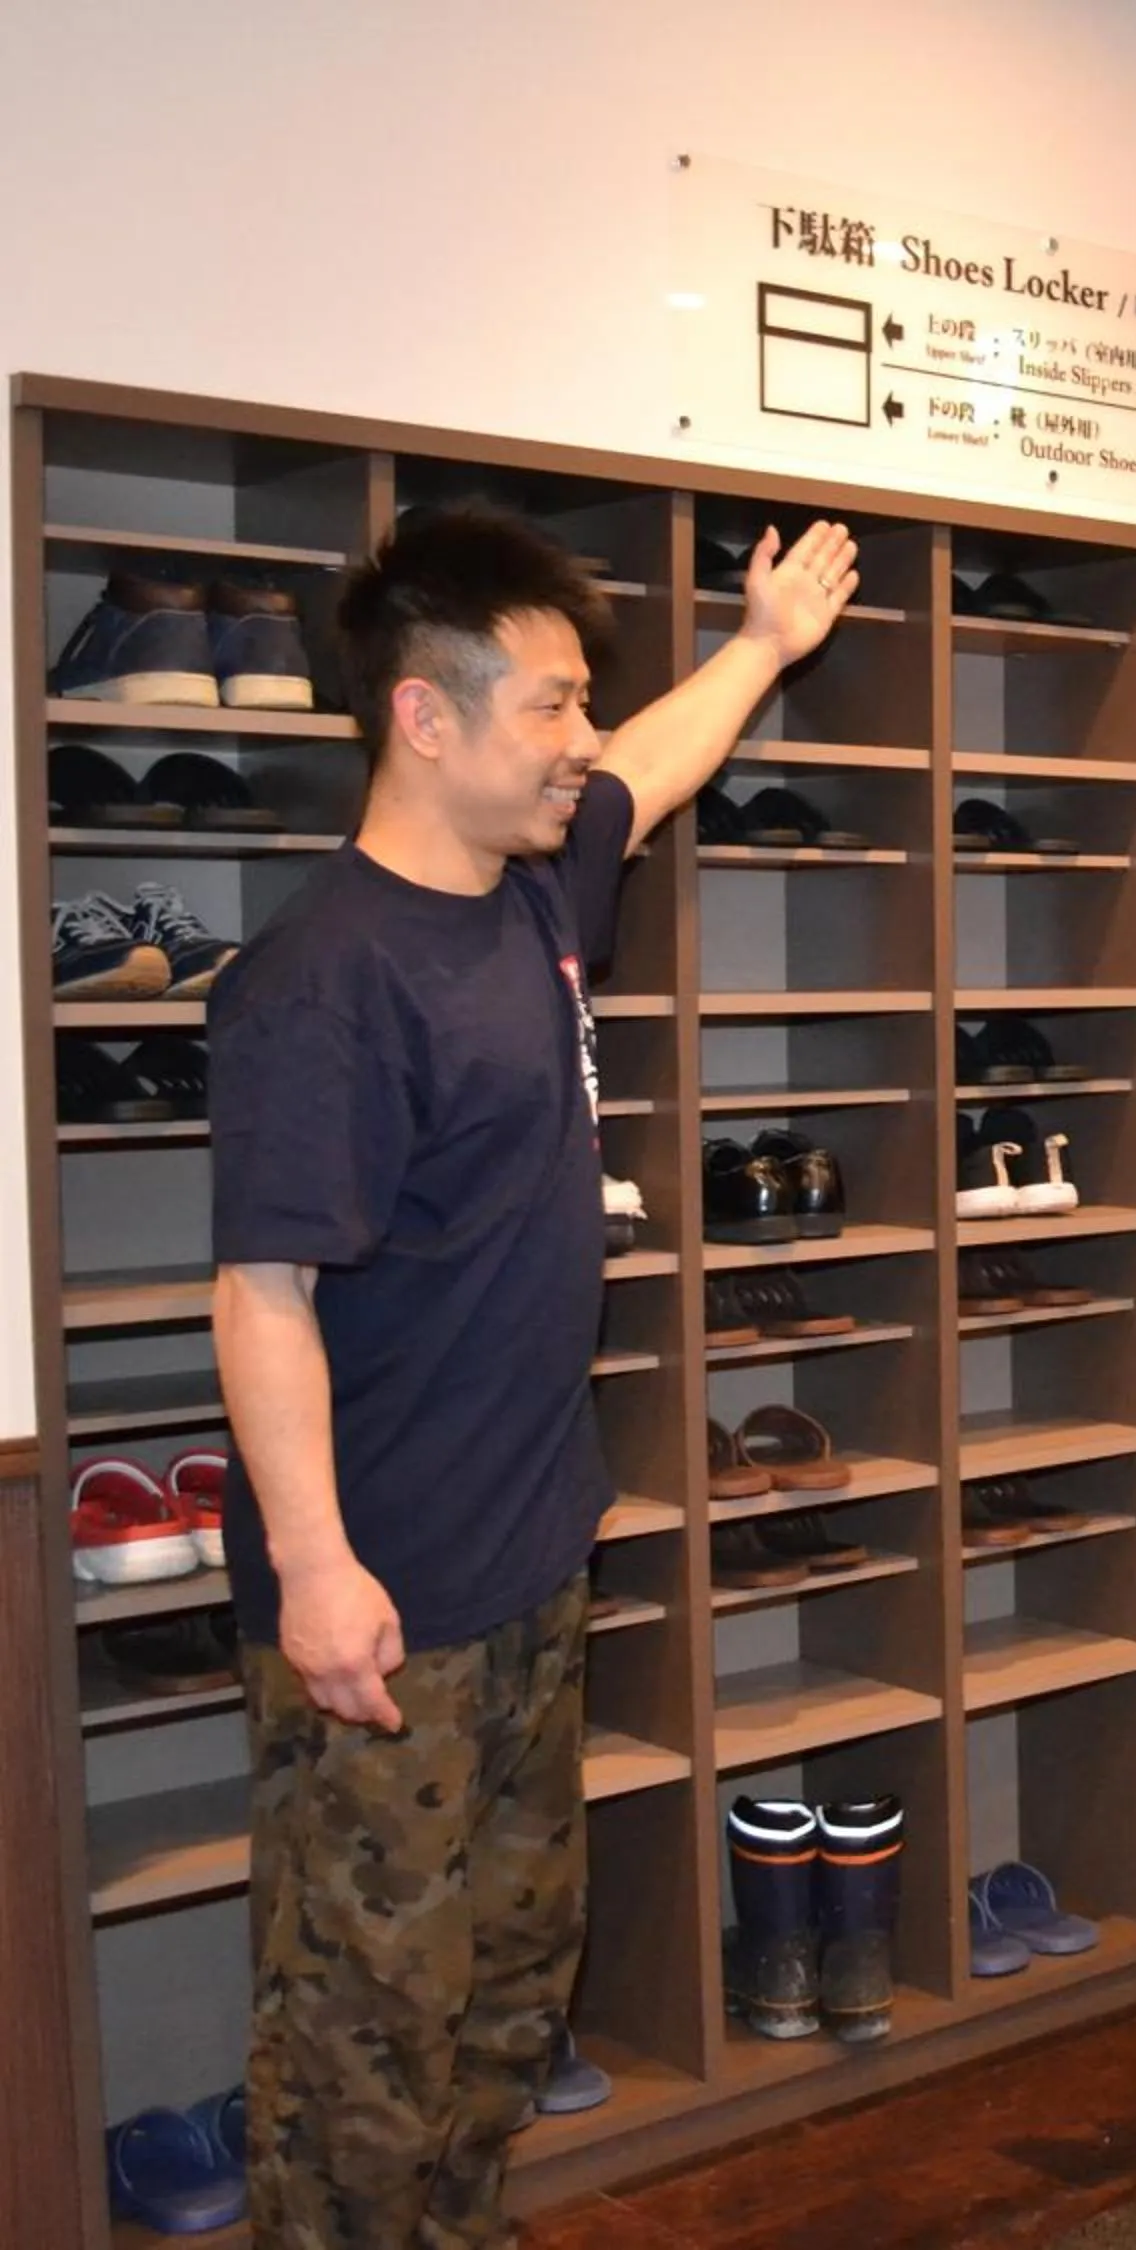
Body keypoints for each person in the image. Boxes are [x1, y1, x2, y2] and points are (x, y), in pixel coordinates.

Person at [211, 505, 858, 2244]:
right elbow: (261, 1291)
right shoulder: (322, 983)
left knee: (505, 1992)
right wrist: (318, 1567)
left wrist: (763, 648)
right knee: (365, 2035)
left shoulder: (534, 889)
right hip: (384, 1603)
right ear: (426, 719)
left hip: (529, 1562)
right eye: (549, 708)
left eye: (579, 708)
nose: (580, 741)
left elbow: (655, 765)